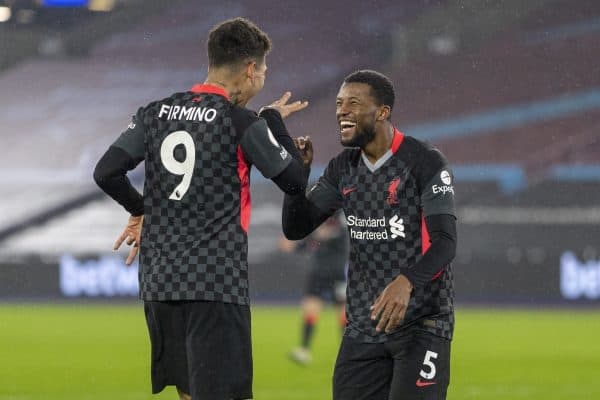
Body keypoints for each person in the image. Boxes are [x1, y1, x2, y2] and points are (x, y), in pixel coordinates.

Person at [93, 17, 308, 400]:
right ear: (250, 69)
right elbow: (294, 181)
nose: (262, 81)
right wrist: (273, 121)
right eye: (263, 72)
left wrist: (141, 210)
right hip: (215, 283)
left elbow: (106, 172)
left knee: (190, 393)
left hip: (160, 282)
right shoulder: (240, 122)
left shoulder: (155, 112)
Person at [282, 70, 457, 400]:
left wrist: (406, 282)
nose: (341, 110)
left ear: (382, 112)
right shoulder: (342, 168)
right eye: (338, 103)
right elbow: (296, 228)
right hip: (363, 327)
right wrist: (297, 179)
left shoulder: (424, 162)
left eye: (353, 103)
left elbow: (445, 242)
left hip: (422, 325)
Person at [280, 213, 348, 365]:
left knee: (343, 312)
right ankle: (304, 350)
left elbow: (323, 235)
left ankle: (347, 353)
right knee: (311, 307)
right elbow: (313, 240)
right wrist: (296, 246)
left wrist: (299, 242)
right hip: (318, 272)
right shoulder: (322, 215)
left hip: (336, 272)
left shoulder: (342, 217)